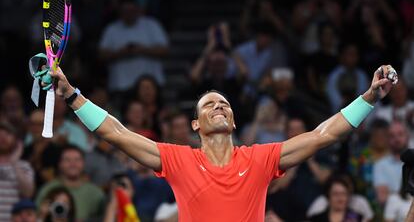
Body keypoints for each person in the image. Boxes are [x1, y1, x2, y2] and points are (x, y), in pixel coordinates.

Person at [46, 63, 396, 221]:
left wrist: (368, 97)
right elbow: (116, 133)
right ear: (196, 124)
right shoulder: (177, 159)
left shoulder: (260, 159)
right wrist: (73, 96)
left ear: (232, 120)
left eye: (224, 103)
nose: (219, 106)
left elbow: (325, 134)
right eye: (209, 104)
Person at [35, 145, 105, 222]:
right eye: (67, 160)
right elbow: (37, 216)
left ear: (83, 163)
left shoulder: (95, 192)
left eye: (77, 160)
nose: (73, 164)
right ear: (59, 163)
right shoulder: (47, 189)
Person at [0, 122, 34, 222]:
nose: (3, 138)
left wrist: (14, 163)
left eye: (7, 134)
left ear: (16, 140)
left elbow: (28, 193)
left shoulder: (24, 166)